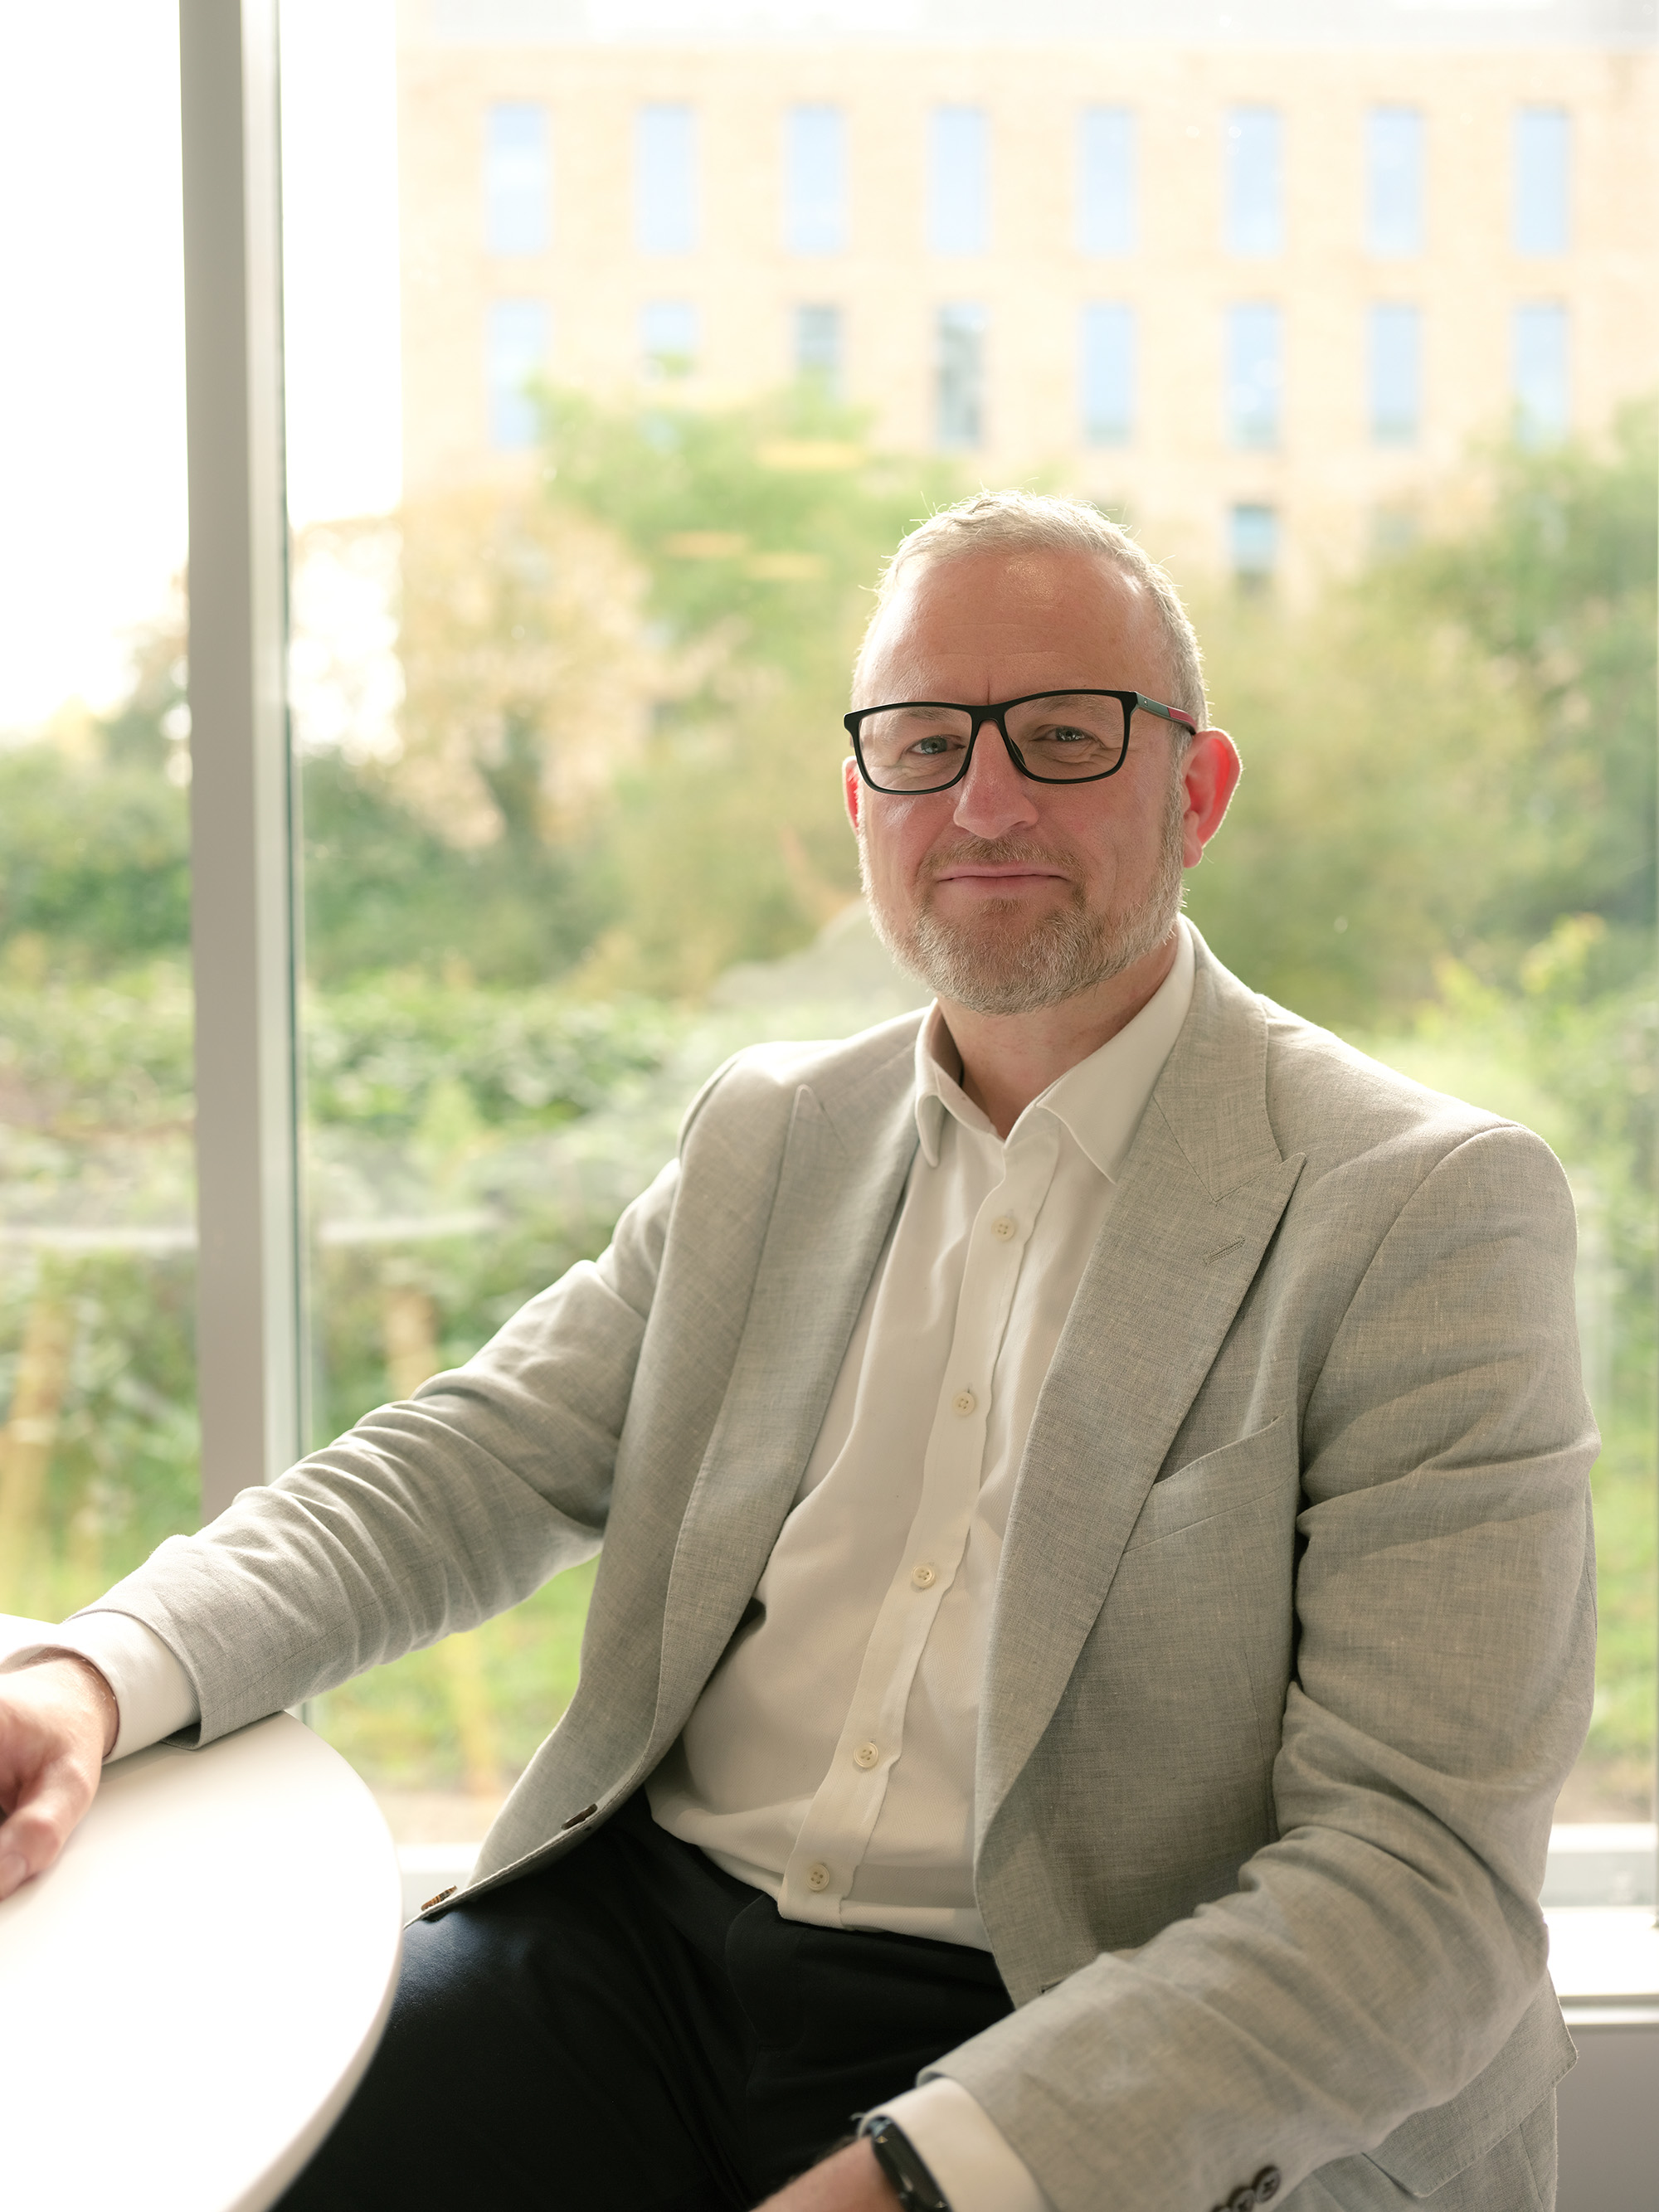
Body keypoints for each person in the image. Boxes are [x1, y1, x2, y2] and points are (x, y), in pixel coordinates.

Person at [0, 493, 1594, 2212]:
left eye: (1064, 737)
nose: (984, 802)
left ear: (1194, 790)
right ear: (859, 803)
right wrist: (98, 1673)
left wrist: (925, 2178)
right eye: (921, 744)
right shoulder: (771, 1135)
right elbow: (461, 1467)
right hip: (641, 1959)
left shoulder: (1423, 1208)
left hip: (1086, 2025)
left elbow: (1417, 1880)